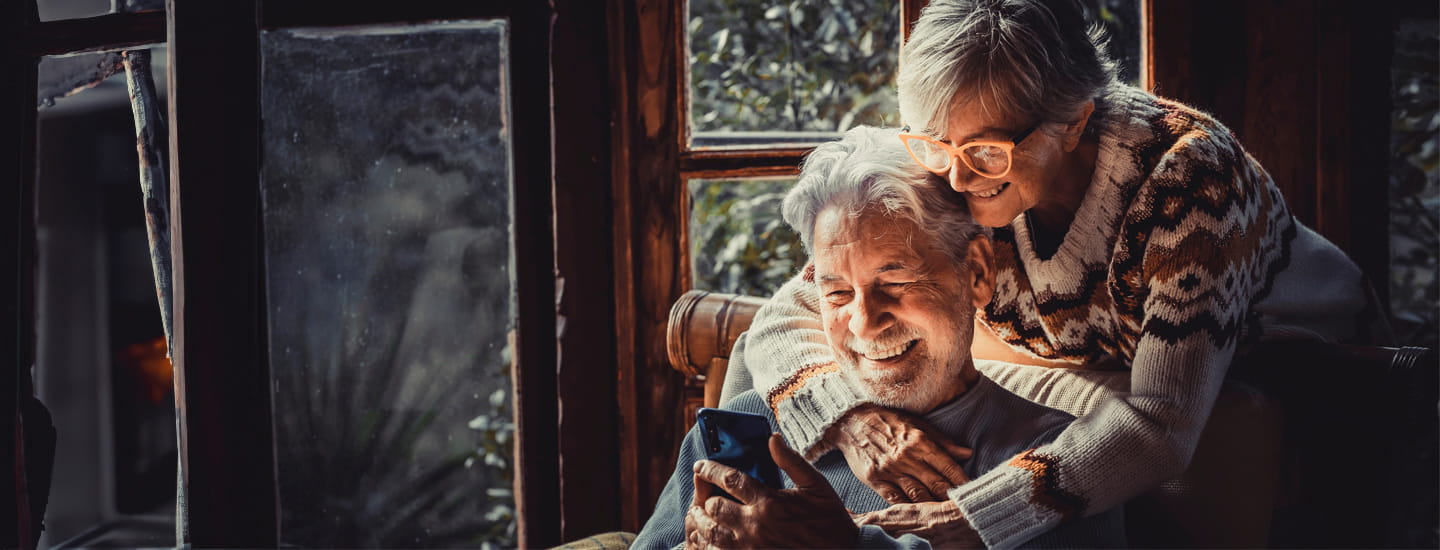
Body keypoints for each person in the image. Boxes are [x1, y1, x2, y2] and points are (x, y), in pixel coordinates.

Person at [731, 0, 1383, 546]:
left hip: (1305, 366)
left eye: (984, 152)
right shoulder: (956, 158)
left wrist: (972, 518)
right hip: (1107, 360)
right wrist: (852, 416)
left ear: (1073, 123)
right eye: (935, 145)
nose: (954, 178)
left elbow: (1161, 420)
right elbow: (788, 314)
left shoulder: (1189, 183)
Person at [633, 126, 1125, 549]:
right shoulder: (742, 427)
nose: (865, 322)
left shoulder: (1060, 467)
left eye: (895, 283)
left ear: (976, 272)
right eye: (839, 292)